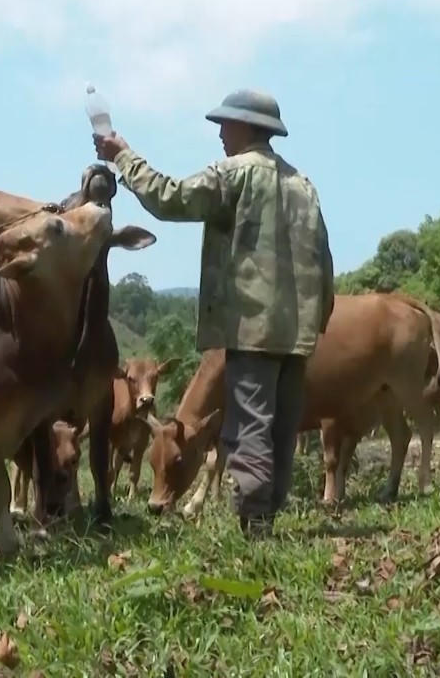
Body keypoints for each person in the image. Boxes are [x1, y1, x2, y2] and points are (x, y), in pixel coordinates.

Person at [93, 88, 335, 539]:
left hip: (252, 327)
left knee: (252, 425)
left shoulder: (234, 174)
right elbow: (324, 258)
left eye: (225, 124)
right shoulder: (304, 185)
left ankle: (254, 523)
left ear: (246, 126)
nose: (220, 133)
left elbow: (170, 198)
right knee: (282, 426)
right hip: (297, 329)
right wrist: (319, 318)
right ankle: (267, 515)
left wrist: (122, 156)